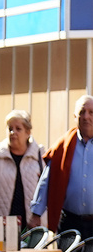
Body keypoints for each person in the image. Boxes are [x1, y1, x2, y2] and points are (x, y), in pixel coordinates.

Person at [31, 94, 93, 232]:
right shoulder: (62, 146)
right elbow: (46, 181)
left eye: (91, 112)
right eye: (81, 112)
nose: (86, 117)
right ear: (75, 117)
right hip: (70, 222)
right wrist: (36, 213)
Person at [0, 110, 44, 223]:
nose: (13, 132)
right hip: (0, 222)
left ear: (28, 132)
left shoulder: (40, 155)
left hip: (31, 223)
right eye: (10, 128)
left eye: (18, 129)